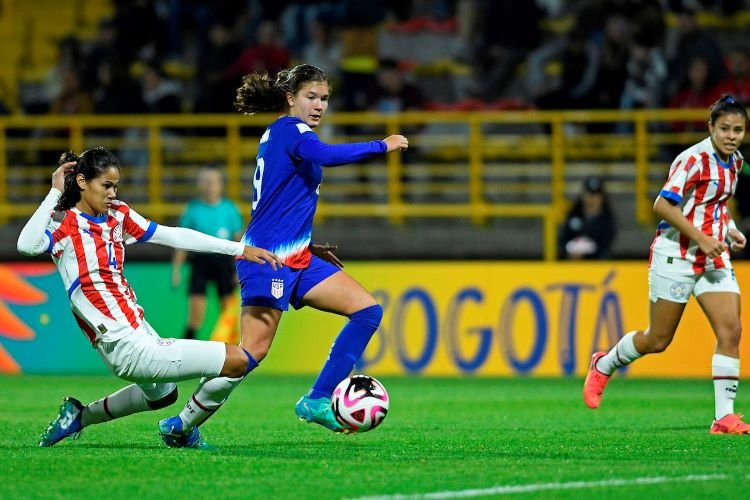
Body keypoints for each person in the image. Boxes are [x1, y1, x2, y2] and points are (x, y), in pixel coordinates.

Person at [160, 63, 408, 435]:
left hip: (299, 257)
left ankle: (318, 399)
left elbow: (284, 202)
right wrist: (381, 145)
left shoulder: (281, 134)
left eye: (324, 98)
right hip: (268, 260)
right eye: (311, 97)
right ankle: (181, 423)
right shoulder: (291, 131)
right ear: (291, 98)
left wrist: (309, 245)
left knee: (367, 311)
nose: (319, 105)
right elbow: (327, 155)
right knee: (249, 355)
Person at [17, 147, 282, 448]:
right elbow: (26, 245)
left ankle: (79, 416)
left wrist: (237, 248)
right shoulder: (63, 226)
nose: (112, 193)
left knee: (164, 395)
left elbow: (173, 235)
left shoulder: (118, 215)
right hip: (122, 344)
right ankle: (181, 429)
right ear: (81, 182)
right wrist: (54, 191)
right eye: (105, 185)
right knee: (239, 360)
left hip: (139, 328)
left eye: (115, 186)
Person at [583, 95, 750, 434]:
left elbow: (715, 205)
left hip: (713, 257)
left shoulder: (735, 162)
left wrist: (729, 229)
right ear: (710, 128)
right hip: (676, 254)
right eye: (724, 129)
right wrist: (702, 238)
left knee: (731, 330)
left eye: (738, 130)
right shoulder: (692, 160)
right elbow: (662, 205)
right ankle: (604, 363)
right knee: (658, 339)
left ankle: (723, 416)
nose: (731, 136)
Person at [171, 166, 244, 340]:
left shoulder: (230, 209)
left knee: (228, 312)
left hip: (224, 263)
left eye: (213, 181)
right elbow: (182, 242)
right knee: (196, 314)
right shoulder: (192, 209)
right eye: (205, 181)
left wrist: (239, 270)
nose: (209, 185)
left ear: (220, 185)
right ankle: (185, 356)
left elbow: (239, 242)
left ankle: (232, 356)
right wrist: (176, 271)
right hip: (200, 262)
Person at [558, 176, 616, 260]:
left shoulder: (607, 219)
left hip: (597, 264)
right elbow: (563, 239)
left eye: (596, 195)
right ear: (583, 195)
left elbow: (606, 245)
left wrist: (586, 254)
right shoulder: (574, 214)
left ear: (602, 197)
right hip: (573, 263)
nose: (592, 199)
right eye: (590, 194)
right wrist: (569, 252)